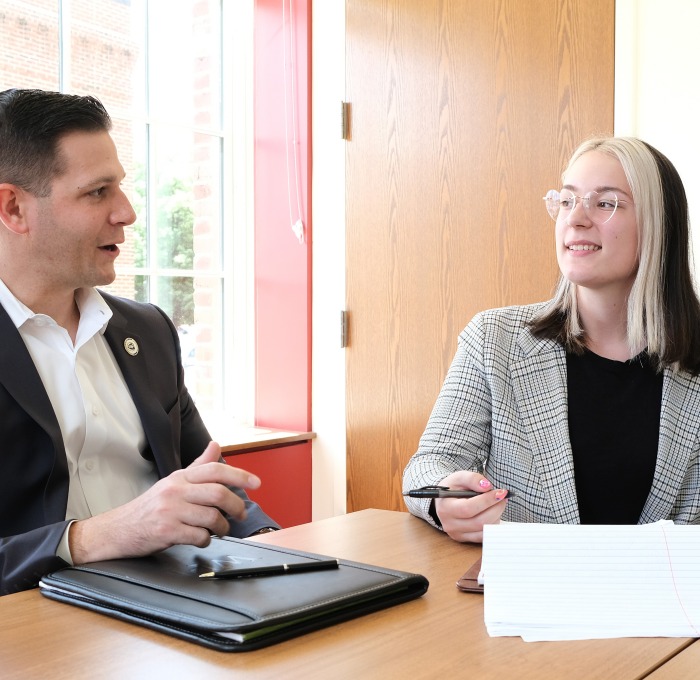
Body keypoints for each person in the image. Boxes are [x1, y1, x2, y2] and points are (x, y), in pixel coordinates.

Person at [0, 88, 279, 595]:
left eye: (120, 189)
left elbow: (204, 479)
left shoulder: (148, 331)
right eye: (97, 192)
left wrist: (271, 545)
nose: (127, 212)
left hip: (176, 607)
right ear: (13, 207)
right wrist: (93, 538)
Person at [403, 136, 700, 543]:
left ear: (659, 224)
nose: (575, 218)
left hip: (668, 603)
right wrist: (443, 502)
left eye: (605, 202)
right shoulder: (494, 339)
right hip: (529, 598)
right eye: (566, 200)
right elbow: (429, 466)